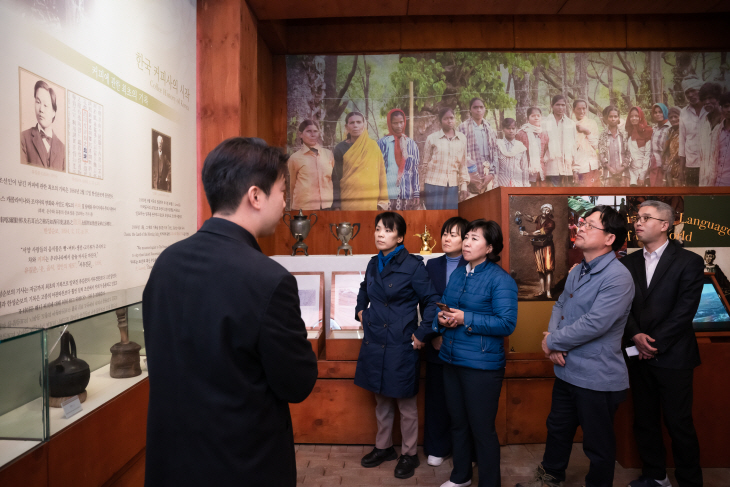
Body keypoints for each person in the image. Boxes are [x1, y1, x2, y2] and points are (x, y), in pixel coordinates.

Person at [142, 137, 318, 486]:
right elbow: (296, 383)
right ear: (255, 196)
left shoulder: (166, 263)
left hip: (173, 463)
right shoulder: (269, 280)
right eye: (282, 190)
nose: (285, 202)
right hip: (243, 465)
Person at [519, 205, 634, 487]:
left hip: (597, 376)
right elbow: (560, 304)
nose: (579, 228)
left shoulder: (618, 277)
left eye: (590, 225)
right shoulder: (578, 269)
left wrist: (551, 341)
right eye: (582, 222)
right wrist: (554, 344)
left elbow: (596, 324)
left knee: (598, 444)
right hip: (567, 369)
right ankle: (549, 478)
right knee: (557, 429)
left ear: (610, 238)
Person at [622, 200, 705, 487]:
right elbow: (624, 308)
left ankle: (690, 481)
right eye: (637, 217)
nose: (638, 222)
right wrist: (635, 336)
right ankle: (655, 476)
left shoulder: (689, 261)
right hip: (637, 354)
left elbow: (685, 311)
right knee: (644, 422)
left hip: (673, 357)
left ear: (665, 225)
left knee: (679, 424)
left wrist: (652, 344)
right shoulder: (627, 262)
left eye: (646, 217)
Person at [355, 212, 440, 480]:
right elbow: (363, 289)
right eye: (378, 229)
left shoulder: (414, 265)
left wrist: (422, 334)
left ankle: (409, 453)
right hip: (375, 340)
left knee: (405, 402)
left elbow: (430, 301)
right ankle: (383, 448)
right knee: (381, 399)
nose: (380, 234)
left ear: (400, 237)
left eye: (387, 230)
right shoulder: (372, 263)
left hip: (402, 341)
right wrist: (360, 310)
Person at [434, 219, 517, 487]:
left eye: (474, 239)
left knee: (482, 430)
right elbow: (448, 307)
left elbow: (506, 324)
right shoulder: (459, 273)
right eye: (466, 237)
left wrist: (464, 318)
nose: (467, 243)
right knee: (457, 424)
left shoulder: (501, 279)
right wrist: (442, 319)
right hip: (450, 358)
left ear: (490, 247)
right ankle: (461, 477)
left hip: (482, 366)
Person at [423, 216, 469, 467]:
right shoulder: (431, 265)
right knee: (437, 397)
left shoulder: (473, 265)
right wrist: (434, 334)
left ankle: (464, 450)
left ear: (467, 240)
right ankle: (437, 447)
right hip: (436, 342)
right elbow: (425, 303)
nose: (447, 238)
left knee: (462, 400)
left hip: (464, 341)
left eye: (454, 234)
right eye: (445, 233)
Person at [332, 111, 389, 210]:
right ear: (346, 127)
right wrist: (337, 205)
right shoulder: (340, 148)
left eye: (359, 122)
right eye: (352, 123)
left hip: (371, 202)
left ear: (364, 125)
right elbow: (336, 179)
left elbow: (382, 175)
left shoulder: (373, 146)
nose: (355, 126)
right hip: (348, 201)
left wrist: (383, 202)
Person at [421, 107, 469, 210]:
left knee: (450, 218)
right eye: (445, 119)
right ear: (440, 121)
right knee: (433, 218)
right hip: (433, 184)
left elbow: (463, 165)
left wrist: (464, 186)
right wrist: (421, 188)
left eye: (451, 118)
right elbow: (424, 164)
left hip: (452, 185)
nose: (449, 121)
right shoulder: (432, 138)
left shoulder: (462, 139)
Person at [377, 109, 421, 210]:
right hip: (387, 194)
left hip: (407, 194)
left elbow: (415, 170)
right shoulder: (382, 144)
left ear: (405, 121)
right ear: (389, 123)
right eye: (395, 123)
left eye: (401, 122)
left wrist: (416, 193)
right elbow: (378, 171)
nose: (399, 126)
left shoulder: (412, 144)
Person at [288, 119, 334, 210]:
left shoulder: (328, 154)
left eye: (315, 131)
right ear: (300, 134)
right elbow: (292, 184)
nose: (313, 135)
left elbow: (332, 179)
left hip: (327, 206)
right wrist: (292, 207)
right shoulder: (295, 158)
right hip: (304, 207)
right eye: (308, 131)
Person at [21, 80, 65, 172]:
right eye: (38, 102)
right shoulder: (23, 138)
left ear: (53, 112)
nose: (41, 109)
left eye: (45, 105)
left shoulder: (62, 149)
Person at [457, 98, 499, 196]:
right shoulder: (463, 128)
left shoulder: (489, 128)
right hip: (470, 174)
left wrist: (491, 175)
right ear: (470, 110)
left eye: (481, 107)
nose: (478, 110)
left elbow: (495, 154)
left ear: (484, 109)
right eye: (475, 107)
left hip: (487, 173)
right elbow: (460, 155)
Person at [678, 78, 708, 186]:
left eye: (693, 90)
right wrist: (681, 170)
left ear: (700, 90)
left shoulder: (710, 110)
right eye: (687, 92)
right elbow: (682, 141)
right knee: (692, 197)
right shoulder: (683, 113)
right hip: (691, 165)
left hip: (709, 165)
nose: (690, 95)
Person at [543, 95, 577, 187]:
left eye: (563, 105)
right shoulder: (545, 123)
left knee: (566, 196)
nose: (560, 108)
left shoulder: (570, 124)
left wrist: (575, 168)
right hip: (551, 166)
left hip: (566, 166)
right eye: (557, 105)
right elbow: (542, 146)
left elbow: (574, 146)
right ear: (552, 106)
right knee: (553, 195)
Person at [697, 83, 724, 186]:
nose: (707, 102)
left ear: (717, 98)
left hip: (722, 178)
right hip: (704, 176)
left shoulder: (725, 122)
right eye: (704, 99)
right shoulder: (704, 122)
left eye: (710, 98)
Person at [515, 107, 550, 187]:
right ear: (528, 118)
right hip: (526, 171)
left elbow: (544, 151)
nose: (536, 118)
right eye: (533, 116)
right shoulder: (521, 133)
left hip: (540, 171)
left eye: (538, 115)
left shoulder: (544, 133)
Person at [598, 105, 630, 187]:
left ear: (618, 118)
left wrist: (622, 168)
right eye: (610, 116)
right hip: (608, 175)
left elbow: (628, 153)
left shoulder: (624, 134)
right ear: (606, 118)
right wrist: (610, 168)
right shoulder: (603, 135)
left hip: (623, 175)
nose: (613, 119)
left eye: (615, 116)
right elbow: (601, 155)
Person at [572, 99, 600, 187]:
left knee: (595, 194)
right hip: (580, 167)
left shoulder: (592, 123)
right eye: (579, 109)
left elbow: (596, 145)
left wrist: (586, 131)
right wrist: (574, 169)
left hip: (593, 165)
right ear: (573, 110)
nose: (582, 111)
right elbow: (571, 149)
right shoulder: (570, 125)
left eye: (584, 108)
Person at [494, 118, 529, 187]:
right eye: (508, 128)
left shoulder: (520, 147)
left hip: (518, 184)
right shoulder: (498, 145)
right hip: (502, 183)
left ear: (516, 129)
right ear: (503, 129)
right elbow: (496, 167)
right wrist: (495, 184)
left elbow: (524, 168)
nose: (511, 131)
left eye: (513, 128)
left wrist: (525, 186)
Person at [626, 107, 653, 187]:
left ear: (641, 117)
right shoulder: (628, 132)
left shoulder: (647, 132)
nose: (633, 118)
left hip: (644, 172)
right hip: (631, 172)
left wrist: (642, 176)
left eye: (636, 116)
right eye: (631, 116)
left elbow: (647, 155)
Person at [648, 103, 671, 187]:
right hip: (654, 163)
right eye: (655, 112)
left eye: (660, 112)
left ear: (665, 112)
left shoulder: (670, 128)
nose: (657, 114)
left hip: (664, 163)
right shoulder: (654, 128)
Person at [663, 107, 682, 187]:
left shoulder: (685, 131)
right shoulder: (669, 132)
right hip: (671, 167)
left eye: (676, 116)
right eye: (671, 117)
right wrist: (667, 161)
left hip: (682, 166)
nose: (673, 119)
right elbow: (665, 149)